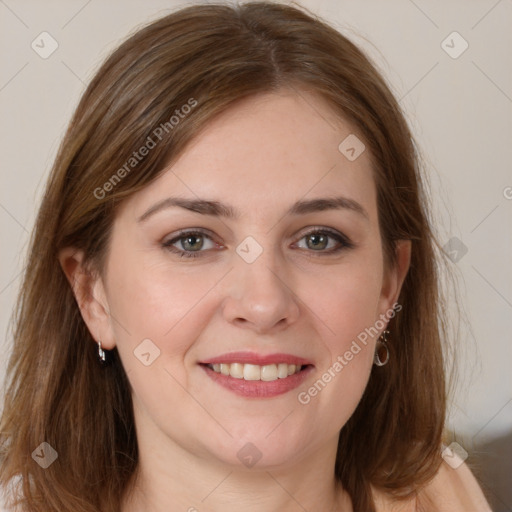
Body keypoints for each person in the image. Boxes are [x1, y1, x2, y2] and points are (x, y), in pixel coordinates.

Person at [0, 2, 493, 511]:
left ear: (389, 286)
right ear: (92, 293)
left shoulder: (446, 496)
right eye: (191, 240)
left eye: (319, 239)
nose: (263, 304)